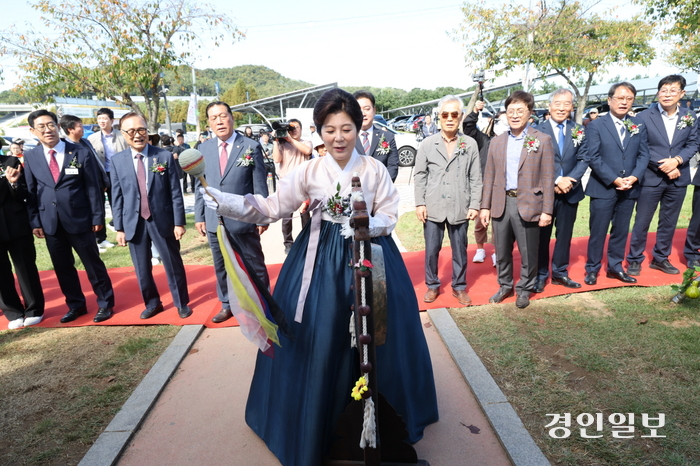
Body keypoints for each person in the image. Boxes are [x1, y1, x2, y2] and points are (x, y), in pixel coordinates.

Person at [200, 88, 438, 466]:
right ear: (319, 131)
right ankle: (314, 424)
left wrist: (367, 225)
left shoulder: (374, 169)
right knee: (319, 333)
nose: (338, 137)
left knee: (378, 334)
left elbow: (390, 213)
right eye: (329, 130)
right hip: (319, 261)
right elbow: (273, 207)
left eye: (346, 128)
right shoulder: (308, 170)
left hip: (371, 256)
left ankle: (383, 422)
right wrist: (226, 201)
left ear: (359, 129)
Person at [23, 109, 115, 323]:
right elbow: (31, 190)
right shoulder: (31, 156)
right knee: (63, 267)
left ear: (58, 126)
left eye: (51, 125)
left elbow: (93, 187)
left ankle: (105, 303)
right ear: (33, 131)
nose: (48, 130)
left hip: (80, 219)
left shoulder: (79, 151)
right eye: (42, 127)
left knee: (92, 264)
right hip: (51, 223)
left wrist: (97, 217)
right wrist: (35, 221)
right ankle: (76, 305)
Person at [110, 113, 191, 320]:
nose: (137, 135)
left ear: (148, 131)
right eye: (131, 131)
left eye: (141, 130)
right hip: (133, 223)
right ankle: (153, 303)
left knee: (172, 263)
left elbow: (175, 192)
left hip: (162, 220)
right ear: (123, 133)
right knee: (142, 269)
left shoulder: (163, 156)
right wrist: (119, 228)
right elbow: (117, 196)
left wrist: (179, 222)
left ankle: (181, 302)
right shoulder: (117, 161)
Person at [194, 101, 269, 324]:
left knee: (254, 263)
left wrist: (262, 215)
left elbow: (259, 186)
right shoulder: (203, 149)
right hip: (214, 220)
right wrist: (199, 216)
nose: (219, 121)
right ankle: (226, 303)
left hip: (244, 218)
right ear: (209, 122)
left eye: (223, 116)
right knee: (221, 264)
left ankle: (262, 302)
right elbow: (200, 185)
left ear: (231, 118)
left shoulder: (250, 146)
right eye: (214, 117)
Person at [480, 90, 555, 309]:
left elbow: (548, 177)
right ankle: (504, 286)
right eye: (511, 111)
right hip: (501, 203)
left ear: (529, 113)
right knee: (501, 250)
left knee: (528, 252)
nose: (514, 115)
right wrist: (485, 206)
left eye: (520, 111)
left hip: (529, 204)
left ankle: (525, 288)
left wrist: (547, 210)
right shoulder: (497, 142)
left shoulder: (542, 140)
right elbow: (489, 176)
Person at [626, 75, 698, 274]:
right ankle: (634, 258)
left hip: (678, 178)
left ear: (682, 94)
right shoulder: (643, 117)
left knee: (669, 221)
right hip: (651, 177)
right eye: (663, 91)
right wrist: (663, 166)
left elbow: (693, 144)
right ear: (658, 93)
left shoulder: (689, 116)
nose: (667, 95)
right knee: (642, 220)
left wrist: (677, 161)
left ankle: (660, 258)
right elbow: (641, 147)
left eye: (672, 90)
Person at [414, 95, 481, 305]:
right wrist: (419, 203)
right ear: (439, 117)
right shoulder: (427, 144)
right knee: (432, 249)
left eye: (454, 114)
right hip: (433, 205)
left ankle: (459, 286)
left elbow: (476, 177)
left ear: (460, 117)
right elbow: (420, 175)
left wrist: (474, 204)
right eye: (445, 114)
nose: (450, 118)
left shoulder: (469, 144)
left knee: (460, 249)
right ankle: (432, 285)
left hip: (460, 205)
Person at [583, 82, 650, 285]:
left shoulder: (638, 124)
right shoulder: (595, 125)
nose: (624, 102)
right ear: (610, 100)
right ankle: (592, 269)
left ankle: (615, 267)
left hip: (629, 187)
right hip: (604, 187)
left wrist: (635, 176)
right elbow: (593, 157)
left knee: (621, 230)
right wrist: (613, 179)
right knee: (598, 231)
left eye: (629, 99)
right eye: (620, 98)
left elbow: (644, 154)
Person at [534, 89, 589, 293]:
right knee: (542, 236)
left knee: (565, 235)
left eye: (566, 104)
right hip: (545, 192)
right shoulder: (537, 131)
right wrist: (557, 179)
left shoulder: (579, 129)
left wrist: (570, 180)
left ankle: (560, 272)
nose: (562, 107)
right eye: (557, 103)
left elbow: (585, 158)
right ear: (550, 106)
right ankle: (540, 274)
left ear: (572, 107)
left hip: (571, 191)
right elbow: (535, 162)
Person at [0, 154, 45, 329]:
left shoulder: (10, 162)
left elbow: (25, 193)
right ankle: (13, 311)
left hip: (17, 224)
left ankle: (34, 309)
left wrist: (13, 183)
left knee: (25, 268)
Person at [60, 114, 113, 252]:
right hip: (81, 188)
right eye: (79, 126)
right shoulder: (64, 146)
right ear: (70, 129)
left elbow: (96, 161)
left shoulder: (85, 142)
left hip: (96, 183)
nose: (82, 128)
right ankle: (94, 240)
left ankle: (101, 238)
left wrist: (102, 179)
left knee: (99, 209)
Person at [464, 100, 498, 267]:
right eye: (497, 121)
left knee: (500, 223)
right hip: (484, 186)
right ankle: (480, 248)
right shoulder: (484, 140)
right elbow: (468, 126)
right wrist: (476, 111)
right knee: (480, 221)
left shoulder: (513, 141)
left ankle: (498, 252)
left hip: (502, 189)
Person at [272, 118, 312, 254]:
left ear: (301, 129)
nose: (293, 130)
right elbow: (277, 159)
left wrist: (290, 139)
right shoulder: (282, 144)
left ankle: (306, 241)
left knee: (305, 216)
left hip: (302, 185)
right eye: (291, 128)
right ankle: (288, 243)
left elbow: (307, 151)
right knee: (286, 217)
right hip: (286, 186)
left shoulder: (305, 142)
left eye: (296, 128)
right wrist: (276, 141)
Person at [353, 90, 399, 182]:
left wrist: (381, 188)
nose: (363, 113)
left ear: (374, 110)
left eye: (367, 108)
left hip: (382, 191)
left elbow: (393, 166)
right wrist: (356, 192)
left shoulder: (388, 137)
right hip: (354, 192)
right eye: (358, 109)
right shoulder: (347, 138)